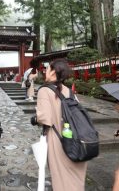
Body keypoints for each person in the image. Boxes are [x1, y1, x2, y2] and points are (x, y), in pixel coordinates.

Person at [35, 59, 87, 190]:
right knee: (75, 180)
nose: (45, 70)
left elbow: (45, 119)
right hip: (75, 140)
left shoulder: (44, 90)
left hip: (58, 140)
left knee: (61, 179)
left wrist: (35, 118)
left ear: (53, 72)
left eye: (47, 68)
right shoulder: (69, 91)